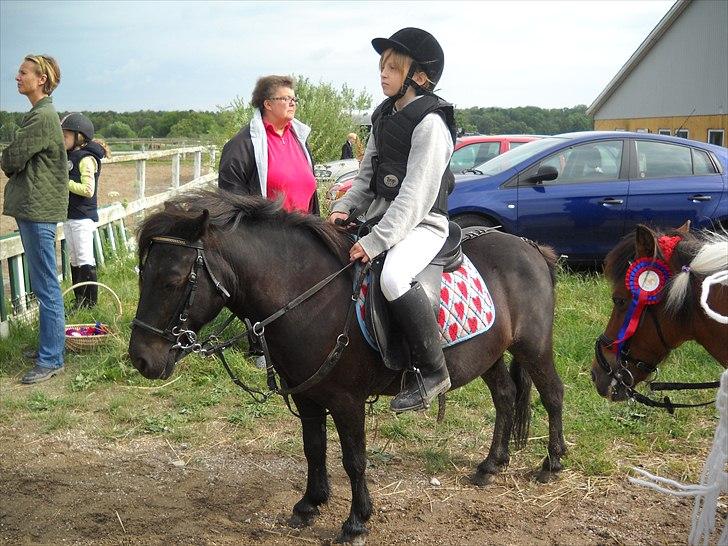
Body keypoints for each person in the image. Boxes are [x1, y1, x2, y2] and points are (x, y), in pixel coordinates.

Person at [327, 28, 457, 413]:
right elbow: (366, 176)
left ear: (418, 76)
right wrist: (345, 207)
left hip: (424, 223)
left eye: (393, 67)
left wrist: (374, 242)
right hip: (384, 217)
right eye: (382, 66)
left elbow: (415, 199)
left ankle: (434, 371)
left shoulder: (431, 124)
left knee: (393, 278)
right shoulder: (384, 115)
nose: (383, 74)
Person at [1, 54, 67, 384]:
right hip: (35, 209)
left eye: (23, 72)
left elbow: (11, 158)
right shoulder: (40, 114)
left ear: (40, 79)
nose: (17, 76)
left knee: (45, 286)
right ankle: (49, 347)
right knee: (44, 283)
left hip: (38, 212)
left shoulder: (41, 117)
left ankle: (52, 358)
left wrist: (10, 159)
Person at [218, 75, 319, 215]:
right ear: (268, 104)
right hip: (266, 234)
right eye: (285, 99)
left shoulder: (300, 138)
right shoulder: (242, 145)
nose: (293, 103)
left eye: (294, 99)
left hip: (303, 234)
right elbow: (231, 200)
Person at [61, 113, 110, 308]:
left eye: (65, 136)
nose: (62, 140)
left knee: (84, 258)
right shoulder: (70, 155)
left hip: (83, 216)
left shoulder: (86, 159)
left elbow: (88, 190)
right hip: (70, 215)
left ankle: (91, 303)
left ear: (79, 137)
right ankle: (79, 301)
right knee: (74, 259)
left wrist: (65, 183)